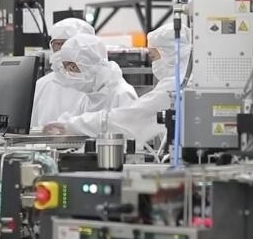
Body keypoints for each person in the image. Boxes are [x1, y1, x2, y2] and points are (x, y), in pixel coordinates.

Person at [45, 23, 191, 147]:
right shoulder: (178, 83)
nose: (153, 64)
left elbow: (130, 118)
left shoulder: (174, 86)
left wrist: (72, 125)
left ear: (170, 54)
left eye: (153, 57)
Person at [50, 34, 138, 118]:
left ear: (89, 64)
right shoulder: (88, 97)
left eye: (72, 67)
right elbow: (73, 122)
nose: (69, 73)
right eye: (66, 67)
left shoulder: (122, 95)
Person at [29, 18, 95, 128]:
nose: (61, 50)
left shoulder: (96, 86)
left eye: (66, 44)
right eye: (57, 45)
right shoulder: (41, 85)